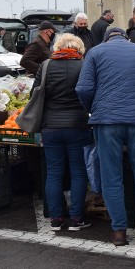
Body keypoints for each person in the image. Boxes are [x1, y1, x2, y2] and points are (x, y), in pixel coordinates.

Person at [76, 27, 135, 249]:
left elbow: (84, 88)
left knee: (111, 176)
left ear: (106, 38)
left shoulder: (95, 52)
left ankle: (119, 232)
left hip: (106, 123)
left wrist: (94, 109)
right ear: (126, 37)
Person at [34, 33, 92, 232]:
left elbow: (36, 93)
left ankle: (56, 218)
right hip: (78, 125)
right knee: (78, 172)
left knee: (54, 173)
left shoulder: (46, 65)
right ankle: (76, 218)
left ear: (57, 47)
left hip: (50, 126)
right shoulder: (84, 65)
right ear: (79, 48)